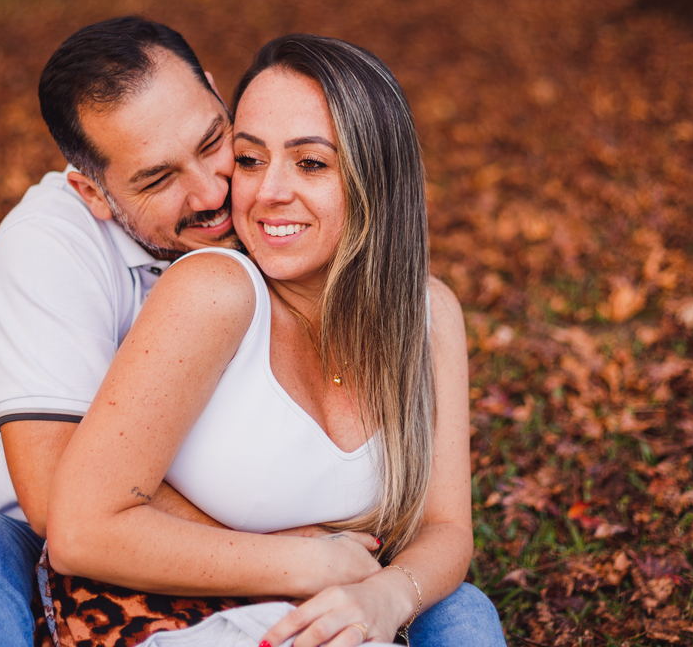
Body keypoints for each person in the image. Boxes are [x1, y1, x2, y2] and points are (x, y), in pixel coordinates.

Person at [41, 34, 506, 647]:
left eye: (311, 163)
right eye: (251, 159)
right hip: (185, 624)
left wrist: (388, 594)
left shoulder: (429, 318)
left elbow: (445, 526)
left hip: (344, 625)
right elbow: (79, 531)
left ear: (376, 174)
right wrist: (313, 566)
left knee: (468, 615)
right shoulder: (215, 292)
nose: (267, 192)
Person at [0, 17, 243, 647]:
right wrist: (271, 548)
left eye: (212, 140)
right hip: (30, 540)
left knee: (451, 606)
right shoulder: (47, 243)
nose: (213, 189)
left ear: (218, 96)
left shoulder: (272, 201)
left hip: (235, 521)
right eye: (158, 179)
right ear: (94, 191)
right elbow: (61, 502)